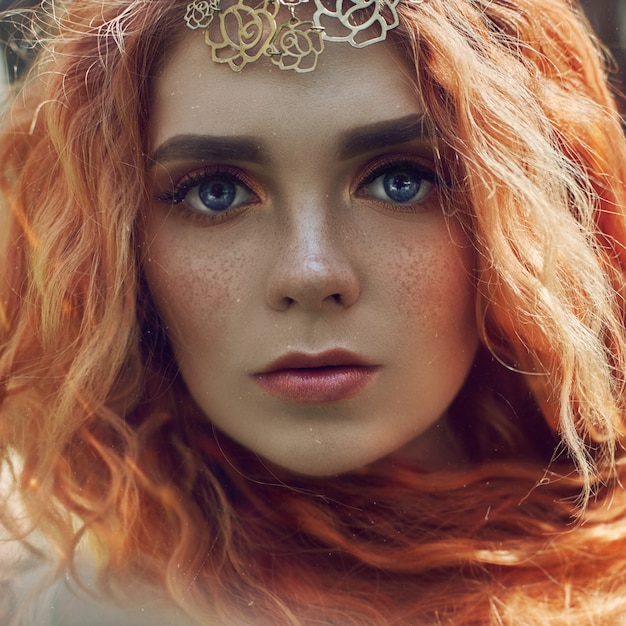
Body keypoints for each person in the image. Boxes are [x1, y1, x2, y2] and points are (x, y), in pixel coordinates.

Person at [1, 0, 626, 623]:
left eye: (401, 180)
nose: (311, 273)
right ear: (115, 243)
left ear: (530, 210)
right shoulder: (60, 598)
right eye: (216, 192)